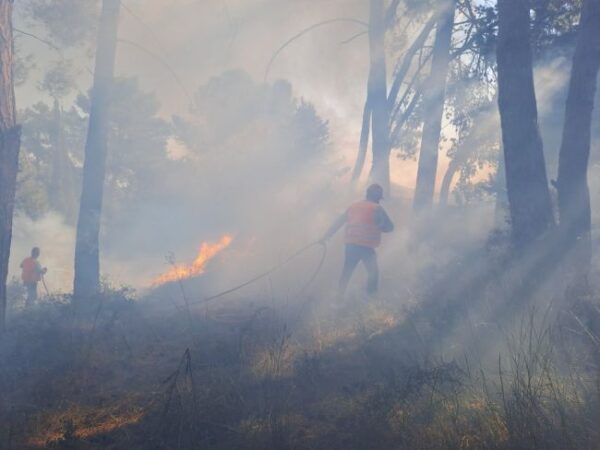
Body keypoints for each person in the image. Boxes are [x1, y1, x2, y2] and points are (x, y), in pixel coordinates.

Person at [321, 183, 394, 296]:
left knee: (346, 273)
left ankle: (337, 301)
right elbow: (390, 227)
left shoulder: (353, 206)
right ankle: (371, 301)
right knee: (373, 273)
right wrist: (381, 225)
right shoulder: (377, 208)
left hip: (351, 246)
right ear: (378, 198)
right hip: (366, 248)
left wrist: (326, 236)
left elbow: (339, 222)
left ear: (367, 194)